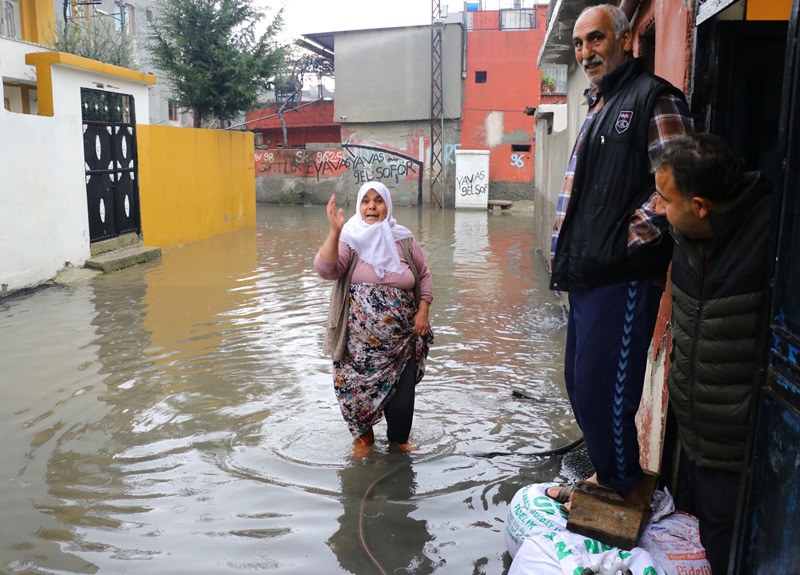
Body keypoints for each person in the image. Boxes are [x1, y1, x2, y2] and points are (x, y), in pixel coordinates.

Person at [547, 4, 693, 509]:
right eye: (580, 44)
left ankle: (619, 482)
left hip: (622, 276)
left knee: (603, 387)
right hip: (587, 274)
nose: (586, 52)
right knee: (579, 383)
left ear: (626, 38)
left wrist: (619, 243)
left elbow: (678, 183)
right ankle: (608, 471)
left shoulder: (653, 98)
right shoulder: (599, 104)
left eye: (596, 39)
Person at [652, 133, 775, 574]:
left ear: (700, 205)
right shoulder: (684, 240)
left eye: (666, 199)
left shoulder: (772, 241)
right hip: (699, 439)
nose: (659, 209)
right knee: (711, 535)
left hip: (744, 448)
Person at [314, 181, 433, 458]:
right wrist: (334, 233)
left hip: (401, 340)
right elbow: (326, 269)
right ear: (359, 205)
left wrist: (423, 310)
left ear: (387, 206)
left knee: (402, 403)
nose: (371, 206)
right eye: (366, 200)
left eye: (378, 200)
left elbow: (424, 275)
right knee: (356, 398)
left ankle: (399, 440)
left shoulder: (403, 239)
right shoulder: (349, 239)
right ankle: (364, 440)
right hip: (357, 348)